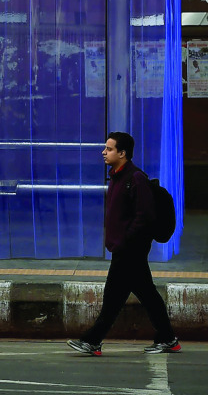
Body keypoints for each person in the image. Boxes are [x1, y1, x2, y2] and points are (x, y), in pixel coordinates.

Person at [67, 131, 180, 356]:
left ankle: (92, 341)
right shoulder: (117, 176)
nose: (104, 152)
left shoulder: (135, 178)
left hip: (130, 250)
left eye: (109, 149)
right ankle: (168, 338)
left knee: (112, 298)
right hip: (125, 248)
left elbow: (144, 215)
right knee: (147, 294)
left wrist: (127, 239)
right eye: (105, 148)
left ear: (122, 153)